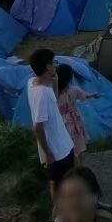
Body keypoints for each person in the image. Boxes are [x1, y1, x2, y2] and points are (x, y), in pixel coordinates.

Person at [28, 48, 76, 199]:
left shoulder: (31, 83)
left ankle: (59, 211)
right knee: (61, 183)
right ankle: (60, 212)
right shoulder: (43, 93)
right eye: (54, 62)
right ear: (47, 67)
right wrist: (48, 153)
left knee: (57, 182)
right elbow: (38, 126)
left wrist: (54, 82)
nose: (56, 65)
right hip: (59, 149)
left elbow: (52, 104)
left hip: (62, 144)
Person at [55, 62, 90, 162]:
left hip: (63, 122)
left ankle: (72, 162)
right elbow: (84, 95)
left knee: (68, 145)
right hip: (75, 120)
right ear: (69, 78)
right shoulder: (74, 90)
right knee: (79, 141)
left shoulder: (54, 93)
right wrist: (93, 95)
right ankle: (79, 162)